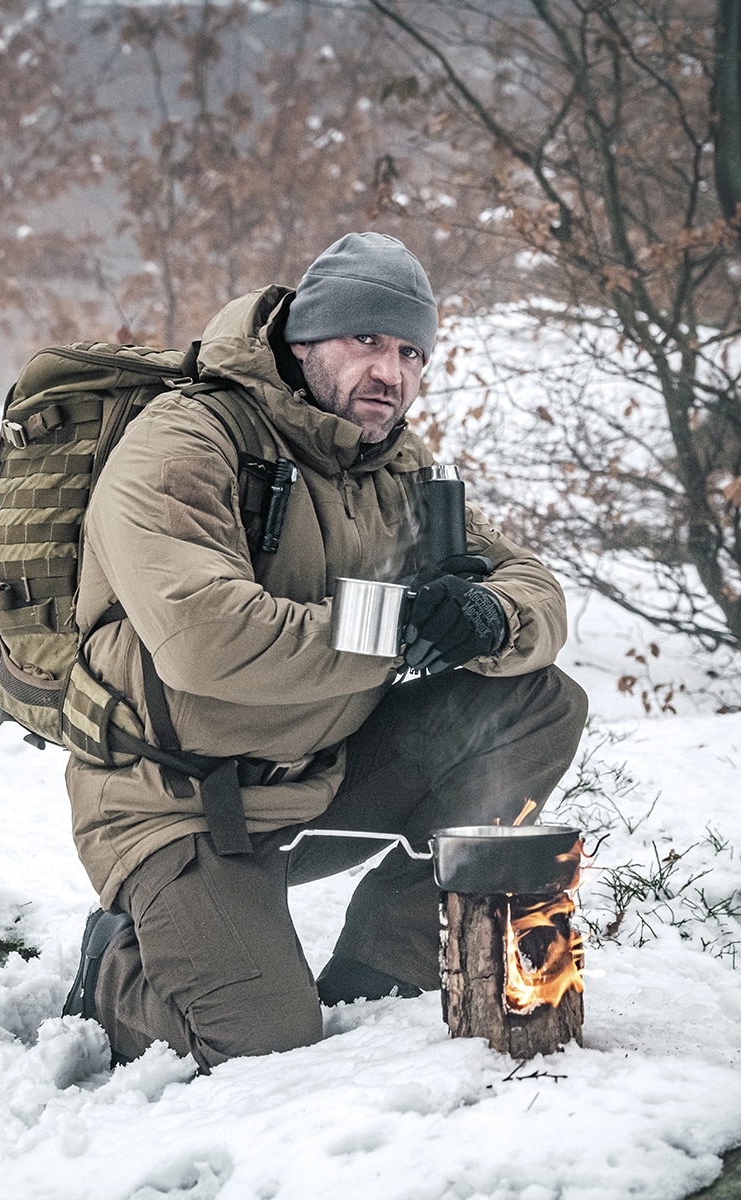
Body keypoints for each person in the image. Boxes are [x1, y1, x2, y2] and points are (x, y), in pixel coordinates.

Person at [63, 232, 588, 1072]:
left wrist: (486, 617)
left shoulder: (398, 471)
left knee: (537, 698)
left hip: (325, 775)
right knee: (256, 1045)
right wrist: (400, 625)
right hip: (181, 800)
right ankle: (114, 972)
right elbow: (204, 638)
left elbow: (540, 592)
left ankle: (388, 961)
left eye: (412, 351)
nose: (393, 373)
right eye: (367, 341)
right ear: (303, 343)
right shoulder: (184, 441)